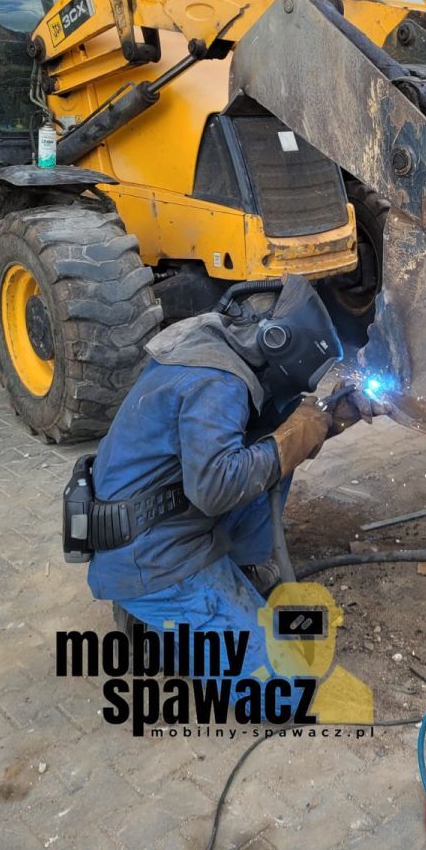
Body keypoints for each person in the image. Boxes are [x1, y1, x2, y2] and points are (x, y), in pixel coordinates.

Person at [79, 274, 372, 688]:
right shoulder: (216, 383)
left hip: (161, 521)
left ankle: (238, 578)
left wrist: (327, 419)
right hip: (154, 558)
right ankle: (160, 630)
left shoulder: (217, 342)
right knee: (284, 690)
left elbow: (267, 428)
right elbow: (216, 486)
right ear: (274, 341)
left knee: (281, 448)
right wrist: (295, 436)